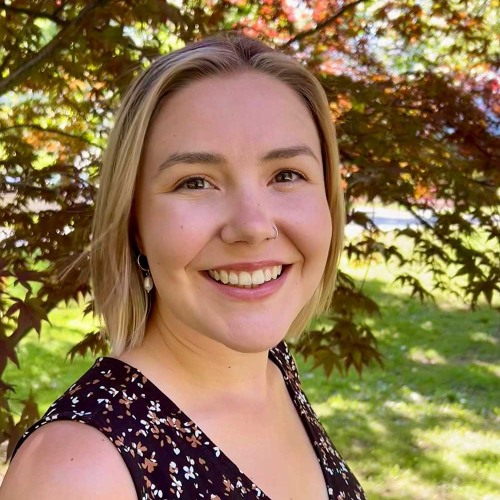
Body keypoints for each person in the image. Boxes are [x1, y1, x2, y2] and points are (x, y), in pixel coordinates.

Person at [0, 33, 365, 499]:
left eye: (287, 175)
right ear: (134, 223)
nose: (253, 226)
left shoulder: (269, 370)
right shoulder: (77, 474)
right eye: (196, 182)